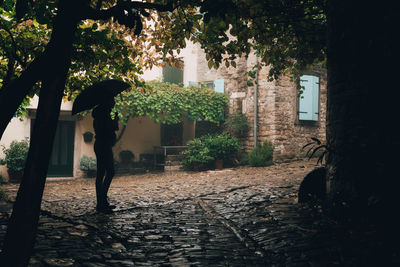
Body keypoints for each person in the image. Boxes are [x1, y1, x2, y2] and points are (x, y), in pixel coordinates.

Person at [92, 98, 119, 213]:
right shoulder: (103, 115)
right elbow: (110, 129)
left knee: (102, 173)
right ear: (107, 103)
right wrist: (115, 121)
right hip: (103, 145)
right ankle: (101, 202)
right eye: (112, 101)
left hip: (102, 145)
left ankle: (102, 202)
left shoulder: (101, 115)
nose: (114, 103)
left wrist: (113, 121)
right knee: (106, 172)